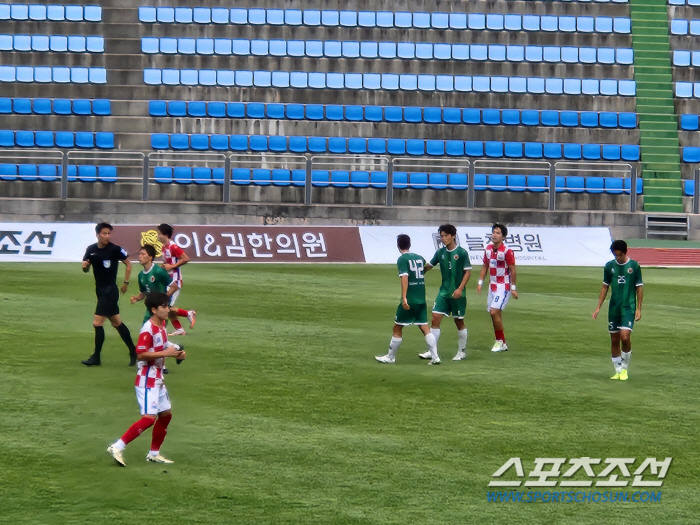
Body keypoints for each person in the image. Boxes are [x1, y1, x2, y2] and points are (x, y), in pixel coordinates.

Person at [107, 292, 186, 467]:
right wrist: (166, 353)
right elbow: (141, 354)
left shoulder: (162, 325)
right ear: (154, 310)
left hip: (158, 379)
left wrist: (177, 351)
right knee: (149, 418)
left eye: (167, 306)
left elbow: (164, 345)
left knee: (165, 415)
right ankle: (117, 446)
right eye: (164, 307)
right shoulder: (148, 329)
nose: (168, 309)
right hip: (147, 380)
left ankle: (154, 454)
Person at [376, 234, 439, 365]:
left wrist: (404, 297)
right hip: (421, 298)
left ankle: (390, 357)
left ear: (398, 245)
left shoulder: (402, 259)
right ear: (409, 244)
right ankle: (435, 356)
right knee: (424, 327)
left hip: (410, 299)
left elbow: (404, 278)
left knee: (397, 327)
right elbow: (424, 269)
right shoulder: (419, 258)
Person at [81, 222, 137, 367]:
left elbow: (129, 264)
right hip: (100, 290)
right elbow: (86, 269)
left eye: (108, 233)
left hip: (110, 291)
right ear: (97, 234)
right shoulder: (91, 250)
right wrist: (85, 267)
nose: (107, 236)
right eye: (104, 233)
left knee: (97, 323)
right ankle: (134, 351)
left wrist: (125, 282)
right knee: (116, 322)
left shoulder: (114, 249)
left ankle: (96, 357)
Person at [418, 224, 471, 362]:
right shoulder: (440, 253)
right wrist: (418, 271)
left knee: (459, 322)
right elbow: (429, 266)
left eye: (446, 235)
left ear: (453, 236)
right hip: (443, 293)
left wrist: (460, 288)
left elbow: (468, 272)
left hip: (457, 294)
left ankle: (461, 352)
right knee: (435, 318)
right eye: (442, 236)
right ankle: (432, 351)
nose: (444, 238)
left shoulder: (462, 253)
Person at [592, 239, 643, 381]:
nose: (617, 258)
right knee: (614, 339)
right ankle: (618, 371)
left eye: (620, 255)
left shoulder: (634, 266)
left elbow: (639, 288)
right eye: (615, 255)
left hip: (628, 307)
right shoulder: (609, 267)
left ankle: (625, 369)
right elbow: (605, 286)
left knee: (625, 336)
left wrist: (639, 308)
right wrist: (598, 307)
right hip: (614, 307)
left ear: (625, 253)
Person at [476, 223, 518, 353]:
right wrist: (480, 282)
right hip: (492, 286)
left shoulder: (507, 251)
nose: (494, 235)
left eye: (498, 233)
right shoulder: (488, 249)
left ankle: (499, 341)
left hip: (503, 286)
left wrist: (513, 287)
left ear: (503, 237)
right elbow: (485, 266)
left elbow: (513, 270)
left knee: (494, 311)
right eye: (494, 232)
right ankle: (502, 342)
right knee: (494, 314)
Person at [156, 223, 196, 336]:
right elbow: (169, 263)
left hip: (175, 281)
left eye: (159, 233)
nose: (158, 236)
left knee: (165, 306)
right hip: (168, 280)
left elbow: (185, 258)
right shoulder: (164, 247)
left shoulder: (173, 246)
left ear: (165, 234)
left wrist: (172, 267)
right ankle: (179, 329)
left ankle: (188, 313)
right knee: (167, 305)